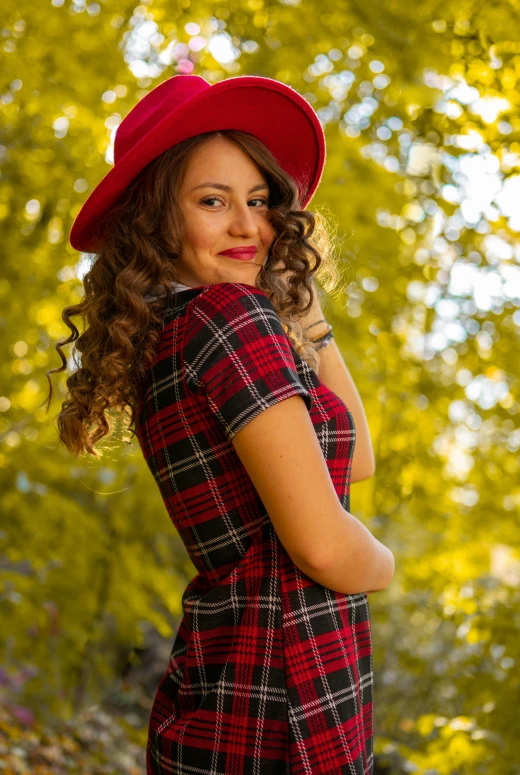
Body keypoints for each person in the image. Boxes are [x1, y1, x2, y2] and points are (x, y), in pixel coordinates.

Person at [46, 74, 394, 774]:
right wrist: (384, 563)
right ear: (156, 221)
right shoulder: (229, 321)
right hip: (281, 707)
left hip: (234, 688)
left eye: (259, 201)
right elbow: (324, 547)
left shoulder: (174, 333)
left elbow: (353, 458)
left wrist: (308, 316)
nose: (249, 226)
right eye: (213, 201)